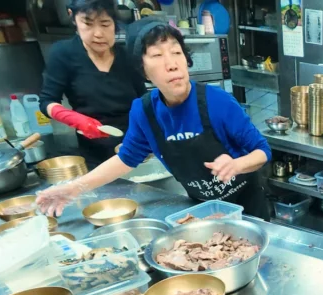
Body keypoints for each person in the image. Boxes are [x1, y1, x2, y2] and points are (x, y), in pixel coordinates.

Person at [37, 20, 271, 218]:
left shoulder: (217, 101)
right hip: (204, 209)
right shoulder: (144, 111)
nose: (171, 64)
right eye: (157, 55)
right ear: (143, 70)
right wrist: (73, 189)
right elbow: (125, 159)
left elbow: (262, 151)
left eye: (177, 52)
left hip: (247, 208)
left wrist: (236, 164)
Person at [39, 0, 147, 166]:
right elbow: (47, 102)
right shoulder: (63, 53)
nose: (98, 33)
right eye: (88, 24)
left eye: (105, 24)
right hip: (94, 152)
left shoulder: (127, 56)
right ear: (73, 18)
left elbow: (143, 99)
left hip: (135, 145)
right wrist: (74, 119)